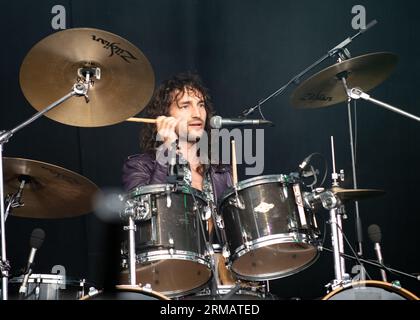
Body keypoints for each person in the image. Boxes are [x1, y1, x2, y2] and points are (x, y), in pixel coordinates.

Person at [121, 72, 236, 288]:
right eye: (185, 106)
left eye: (200, 104)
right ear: (164, 116)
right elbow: (144, 213)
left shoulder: (221, 170)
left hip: (219, 283)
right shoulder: (138, 166)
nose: (197, 113)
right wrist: (168, 150)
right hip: (165, 276)